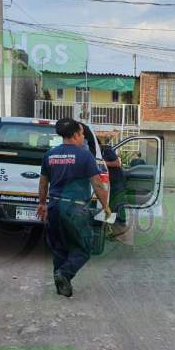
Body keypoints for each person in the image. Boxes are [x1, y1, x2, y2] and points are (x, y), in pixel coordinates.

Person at [37, 118, 110, 297]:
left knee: (59, 248)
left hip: (54, 206)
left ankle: (61, 286)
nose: (83, 138)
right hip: (75, 209)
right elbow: (97, 184)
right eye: (82, 134)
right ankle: (64, 273)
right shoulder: (85, 156)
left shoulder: (50, 155)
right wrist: (106, 207)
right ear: (76, 135)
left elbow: (43, 183)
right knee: (84, 248)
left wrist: (42, 204)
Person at [101, 143, 127, 225]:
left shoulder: (107, 150)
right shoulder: (101, 152)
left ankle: (122, 221)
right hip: (112, 182)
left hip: (117, 181)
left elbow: (117, 163)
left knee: (118, 200)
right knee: (112, 201)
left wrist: (102, 163)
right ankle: (114, 220)